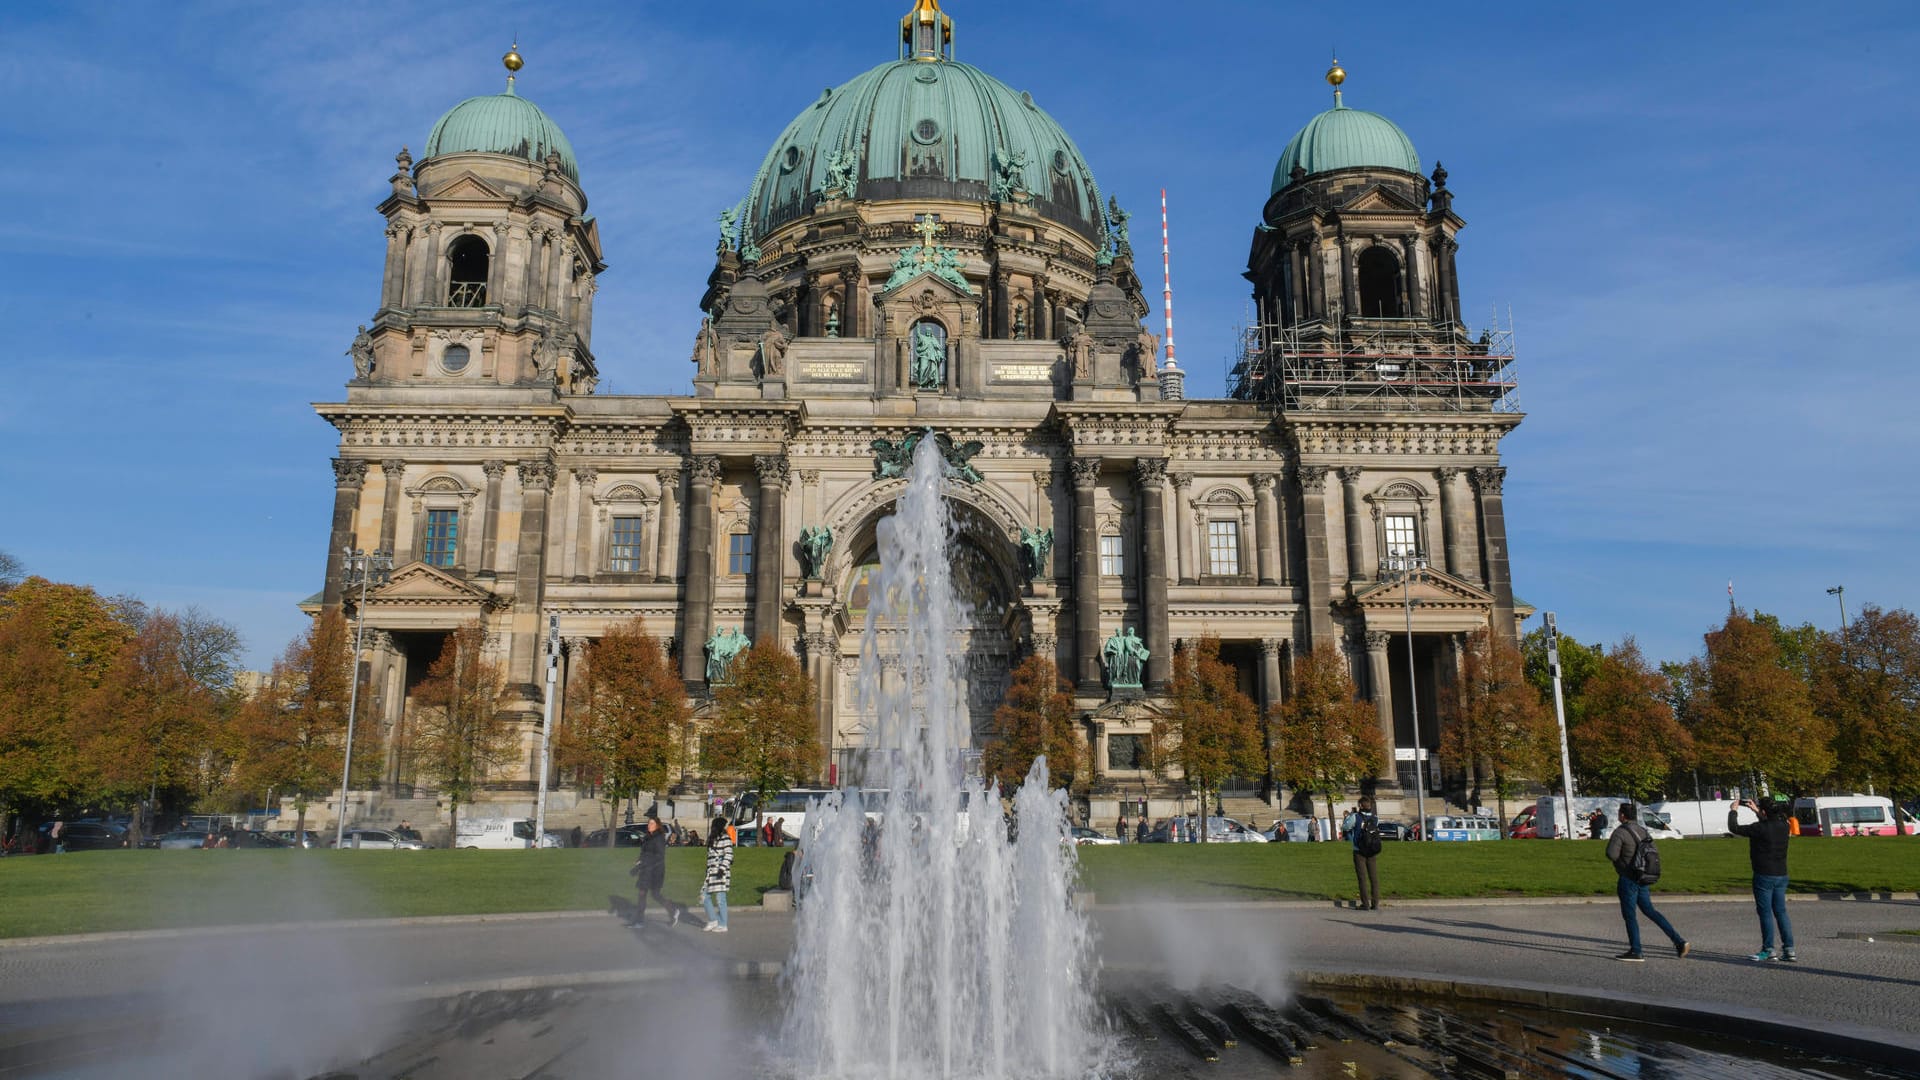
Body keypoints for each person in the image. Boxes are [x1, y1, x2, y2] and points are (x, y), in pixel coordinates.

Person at [1605, 803, 1688, 962]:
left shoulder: (1620, 832)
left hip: (1628, 878)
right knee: (1650, 911)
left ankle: (1636, 950)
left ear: (1622, 815)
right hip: (1643, 877)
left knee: (1630, 915)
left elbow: (1611, 854)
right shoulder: (1643, 831)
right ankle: (1679, 941)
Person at [1729, 797, 1796, 962]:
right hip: (1781, 873)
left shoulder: (1759, 828)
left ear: (1764, 812)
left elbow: (1734, 828)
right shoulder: (1784, 826)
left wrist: (1733, 810)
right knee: (1780, 912)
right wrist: (1757, 811)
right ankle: (1789, 949)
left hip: (1764, 874)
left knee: (1765, 912)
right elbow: (1771, 822)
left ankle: (1768, 948)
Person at [628, 813, 683, 928]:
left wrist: (640, 865)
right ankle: (639, 921)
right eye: (649, 823)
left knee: (655, 894)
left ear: (657, 825)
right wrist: (638, 862)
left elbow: (659, 856)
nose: (649, 825)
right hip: (646, 869)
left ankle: (673, 911)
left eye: (652, 823)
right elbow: (645, 852)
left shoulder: (659, 838)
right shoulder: (648, 837)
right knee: (642, 894)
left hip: (655, 871)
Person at [1346, 797, 1382, 910]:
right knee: (1374, 878)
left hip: (1359, 850)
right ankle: (1375, 903)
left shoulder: (1355, 817)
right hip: (1372, 850)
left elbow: (1346, 826)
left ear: (1360, 805)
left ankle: (1365, 903)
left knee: (1362, 878)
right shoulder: (1375, 818)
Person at [701, 816, 735, 933]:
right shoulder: (713, 839)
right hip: (711, 872)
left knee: (720, 899)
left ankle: (723, 924)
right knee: (704, 896)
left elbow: (729, 854)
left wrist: (722, 869)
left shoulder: (725, 838)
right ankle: (713, 920)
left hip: (720, 872)